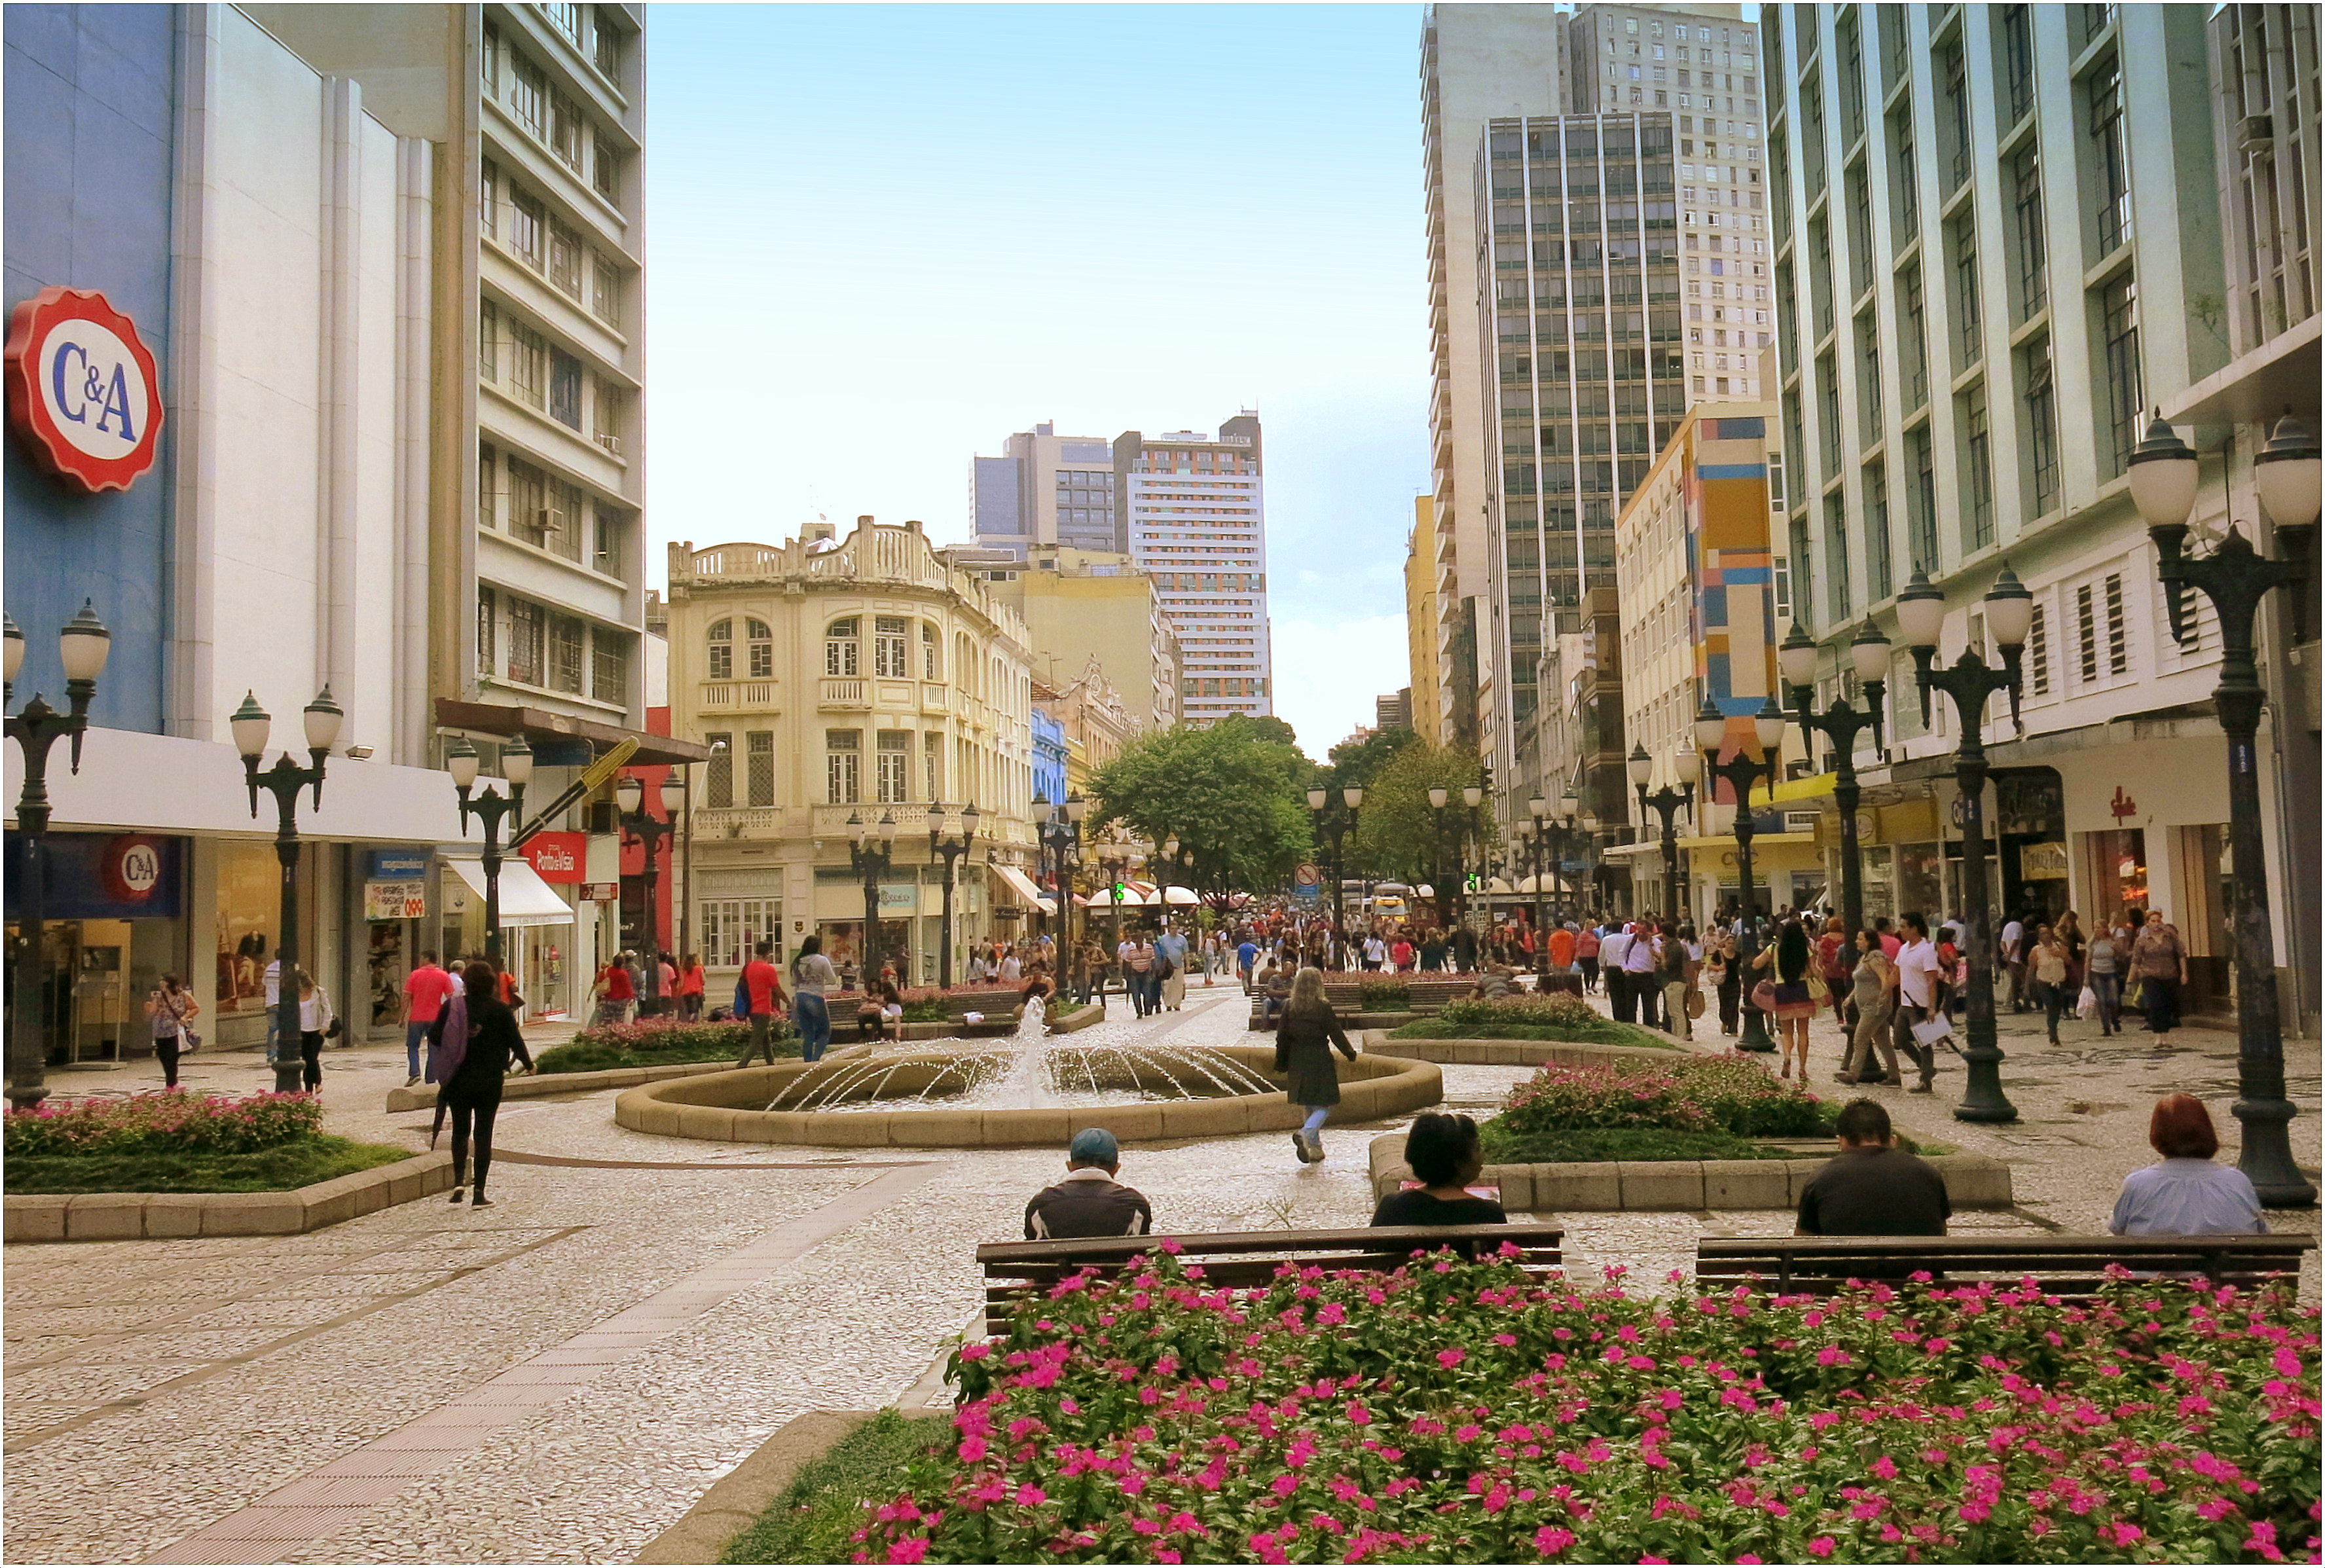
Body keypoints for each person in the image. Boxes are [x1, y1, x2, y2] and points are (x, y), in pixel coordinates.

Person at [440, 959, 534, 1209]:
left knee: (460, 1130)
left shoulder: (453, 1006)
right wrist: (529, 1064)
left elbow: (435, 1035)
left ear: (467, 984)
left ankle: (459, 1181)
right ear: (491, 984)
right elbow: (516, 1041)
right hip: (489, 1079)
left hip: (458, 1078)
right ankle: (479, 1192)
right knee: (483, 1133)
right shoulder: (500, 1010)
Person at [2108, 1094, 2267, 1236]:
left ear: (2157, 1134)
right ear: (2208, 1131)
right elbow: (2260, 1231)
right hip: (2225, 1269)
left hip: (2157, 1269)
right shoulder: (2237, 1181)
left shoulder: (2138, 1183)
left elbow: (2119, 1229)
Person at [1795, 1099, 1952, 1236]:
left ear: (1842, 1141)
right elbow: (1941, 1232)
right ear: (1893, 1140)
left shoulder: (1821, 1178)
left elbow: (1804, 1242)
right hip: (1918, 1270)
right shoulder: (1928, 1173)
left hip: (1849, 1269)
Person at [1275, 968, 1359, 1164]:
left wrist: (1281, 1062)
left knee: (1308, 1104)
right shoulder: (1322, 1006)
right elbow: (1335, 1031)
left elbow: (1282, 1036)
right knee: (1323, 1106)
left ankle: (1315, 1149)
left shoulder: (1289, 1006)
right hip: (1319, 1057)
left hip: (1297, 1059)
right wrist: (1349, 1051)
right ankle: (1305, 1134)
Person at [1370, 1112, 1508, 1230]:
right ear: (1459, 1162)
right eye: (1477, 1148)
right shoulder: (1488, 1213)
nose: (1481, 1156)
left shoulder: (1393, 1206)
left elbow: (1371, 1258)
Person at [1024, 1128, 1153, 1239]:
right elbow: (1142, 1257)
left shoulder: (1041, 1204)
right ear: (1116, 1168)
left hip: (1059, 1269)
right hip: (1115, 1269)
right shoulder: (1134, 1204)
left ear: (1070, 1166)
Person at [1753, 919, 1818, 1080]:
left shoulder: (1774, 948)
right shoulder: (1805, 949)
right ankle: (1802, 1068)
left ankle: (1787, 1057)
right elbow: (1813, 972)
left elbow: (1756, 964)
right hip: (1802, 990)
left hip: (1782, 991)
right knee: (1803, 1032)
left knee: (1787, 1031)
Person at [1838, 930, 1897, 1086]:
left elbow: (1884, 978)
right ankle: (1894, 1075)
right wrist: (1851, 997)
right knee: (1883, 1041)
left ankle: (1853, 1074)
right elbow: (1861, 982)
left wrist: (1884, 997)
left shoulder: (1876, 958)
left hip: (1874, 1006)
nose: (1857, 942)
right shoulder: (1864, 958)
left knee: (1860, 1038)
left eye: (1860, 939)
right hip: (1866, 1005)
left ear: (1869, 941)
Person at [1891, 914, 1943, 1093]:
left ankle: (1925, 1081)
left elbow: (1931, 980)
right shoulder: (1904, 949)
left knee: (1924, 1042)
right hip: (1905, 1002)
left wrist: (1931, 1007)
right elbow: (1896, 974)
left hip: (1919, 1004)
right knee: (1899, 1039)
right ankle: (1926, 1068)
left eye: (1904, 926)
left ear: (1914, 928)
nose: (1901, 930)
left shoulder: (1927, 949)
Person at [2130, 909, 2190, 1046]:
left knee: (2167, 1006)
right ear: (2148, 924)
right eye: (2153, 921)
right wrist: (2130, 978)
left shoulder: (2170, 938)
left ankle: (2165, 1035)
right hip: (2149, 975)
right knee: (2155, 1004)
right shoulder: (2142, 940)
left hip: (2169, 974)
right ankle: (2158, 1036)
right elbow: (2136, 960)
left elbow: (2181, 955)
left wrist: (2184, 973)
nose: (2156, 924)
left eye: (2158, 921)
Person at [397, 952, 456, 1088]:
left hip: (416, 1018)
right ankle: (431, 1078)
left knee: (412, 1046)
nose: (420, 960)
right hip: (436, 1018)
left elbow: (406, 998)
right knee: (434, 1048)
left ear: (426, 959)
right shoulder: (443, 975)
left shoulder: (415, 975)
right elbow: (451, 998)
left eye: (422, 958)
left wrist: (402, 1017)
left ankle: (414, 1073)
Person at [734, 940, 788, 1067]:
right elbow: (778, 990)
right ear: (768, 953)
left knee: (765, 1038)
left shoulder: (749, 967)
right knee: (756, 1042)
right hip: (762, 1009)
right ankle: (742, 1065)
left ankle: (771, 1062)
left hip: (751, 1008)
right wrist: (789, 1003)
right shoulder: (769, 969)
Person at [145, 972, 200, 1090]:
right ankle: (172, 1083)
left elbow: (196, 1008)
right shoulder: (159, 996)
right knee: (163, 1056)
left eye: (163, 980)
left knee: (172, 1057)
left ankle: (171, 1084)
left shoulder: (183, 995)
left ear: (170, 983)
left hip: (176, 1031)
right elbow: (152, 1011)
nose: (161, 983)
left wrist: (185, 1017)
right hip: (160, 1031)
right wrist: (149, 1006)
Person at [788, 935, 837, 1063]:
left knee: (808, 1034)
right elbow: (832, 980)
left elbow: (793, 982)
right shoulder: (822, 960)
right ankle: (815, 1061)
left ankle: (807, 1062)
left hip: (800, 997)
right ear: (818, 946)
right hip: (816, 997)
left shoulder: (798, 961)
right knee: (825, 1033)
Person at [2030, 924, 2073, 1044]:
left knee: (2058, 1007)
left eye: (2047, 932)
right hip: (2044, 981)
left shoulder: (2059, 946)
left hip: (2059, 981)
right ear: (2039, 936)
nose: (2046, 935)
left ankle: (2053, 1028)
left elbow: (2069, 960)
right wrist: (2028, 985)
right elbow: (2032, 968)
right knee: (2051, 1006)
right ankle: (2053, 1033)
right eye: (2043, 933)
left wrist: (2060, 955)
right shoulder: (2036, 950)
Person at [293, 969, 333, 1093]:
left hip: (317, 1030)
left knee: (312, 1057)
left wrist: (325, 1027)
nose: (303, 990)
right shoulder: (294, 994)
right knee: (305, 1059)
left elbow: (327, 1010)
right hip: (301, 1030)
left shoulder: (318, 992)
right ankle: (309, 1088)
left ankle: (318, 1082)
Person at [1815, 915, 1852, 1038]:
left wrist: (1821, 969)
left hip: (1831, 970)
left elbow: (1820, 955)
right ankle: (1849, 1016)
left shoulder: (1824, 939)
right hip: (1845, 970)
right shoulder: (1845, 938)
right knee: (1847, 994)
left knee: (1836, 995)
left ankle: (1840, 1018)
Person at [2085, 922, 2123, 1036]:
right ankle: (2106, 1027)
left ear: (2105, 929)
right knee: (2102, 1000)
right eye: (2095, 928)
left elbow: (2121, 956)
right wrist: (2086, 977)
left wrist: (2118, 951)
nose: (2097, 930)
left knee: (2114, 999)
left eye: (2099, 927)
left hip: (2111, 972)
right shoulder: (2092, 943)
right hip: (2096, 972)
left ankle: (2114, 1019)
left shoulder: (2112, 941)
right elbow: (2088, 961)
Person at [1120, 933, 1156, 1017]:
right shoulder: (1131, 950)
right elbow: (1128, 962)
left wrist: (1153, 972)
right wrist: (1126, 976)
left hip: (1146, 973)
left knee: (1147, 993)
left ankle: (1148, 1009)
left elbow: (1153, 961)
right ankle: (1139, 1011)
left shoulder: (1149, 948)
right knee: (1136, 994)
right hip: (1134, 974)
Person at [1154, 924, 1190, 1012]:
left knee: (1178, 985)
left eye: (1176, 928)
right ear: (1169, 929)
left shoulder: (1182, 939)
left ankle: (1177, 1004)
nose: (1174, 930)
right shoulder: (1163, 939)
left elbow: (1186, 952)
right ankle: (1168, 1004)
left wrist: (1188, 964)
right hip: (1167, 967)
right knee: (1167, 985)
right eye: (1172, 929)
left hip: (1179, 965)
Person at [593, 953, 634, 1027]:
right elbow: (627, 987)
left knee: (607, 1019)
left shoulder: (605, 972)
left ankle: (606, 1032)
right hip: (621, 1001)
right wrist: (631, 998)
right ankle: (616, 1033)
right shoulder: (623, 974)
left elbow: (599, 981)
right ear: (622, 963)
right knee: (619, 1019)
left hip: (607, 999)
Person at [2000, 911, 2028, 1013]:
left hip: (2011, 958)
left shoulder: (2007, 927)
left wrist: (2006, 952)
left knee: (2014, 981)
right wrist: (2010, 953)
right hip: (2017, 957)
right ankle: (2024, 1002)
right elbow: (2016, 941)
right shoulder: (2018, 926)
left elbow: (2002, 942)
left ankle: (2016, 1002)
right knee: (2025, 980)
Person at [676, 953, 706, 1022]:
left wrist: (678, 993)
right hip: (697, 992)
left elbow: (682, 983)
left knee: (687, 1011)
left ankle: (689, 1022)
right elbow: (704, 980)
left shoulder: (683, 970)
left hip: (686, 993)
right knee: (696, 1010)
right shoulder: (699, 968)